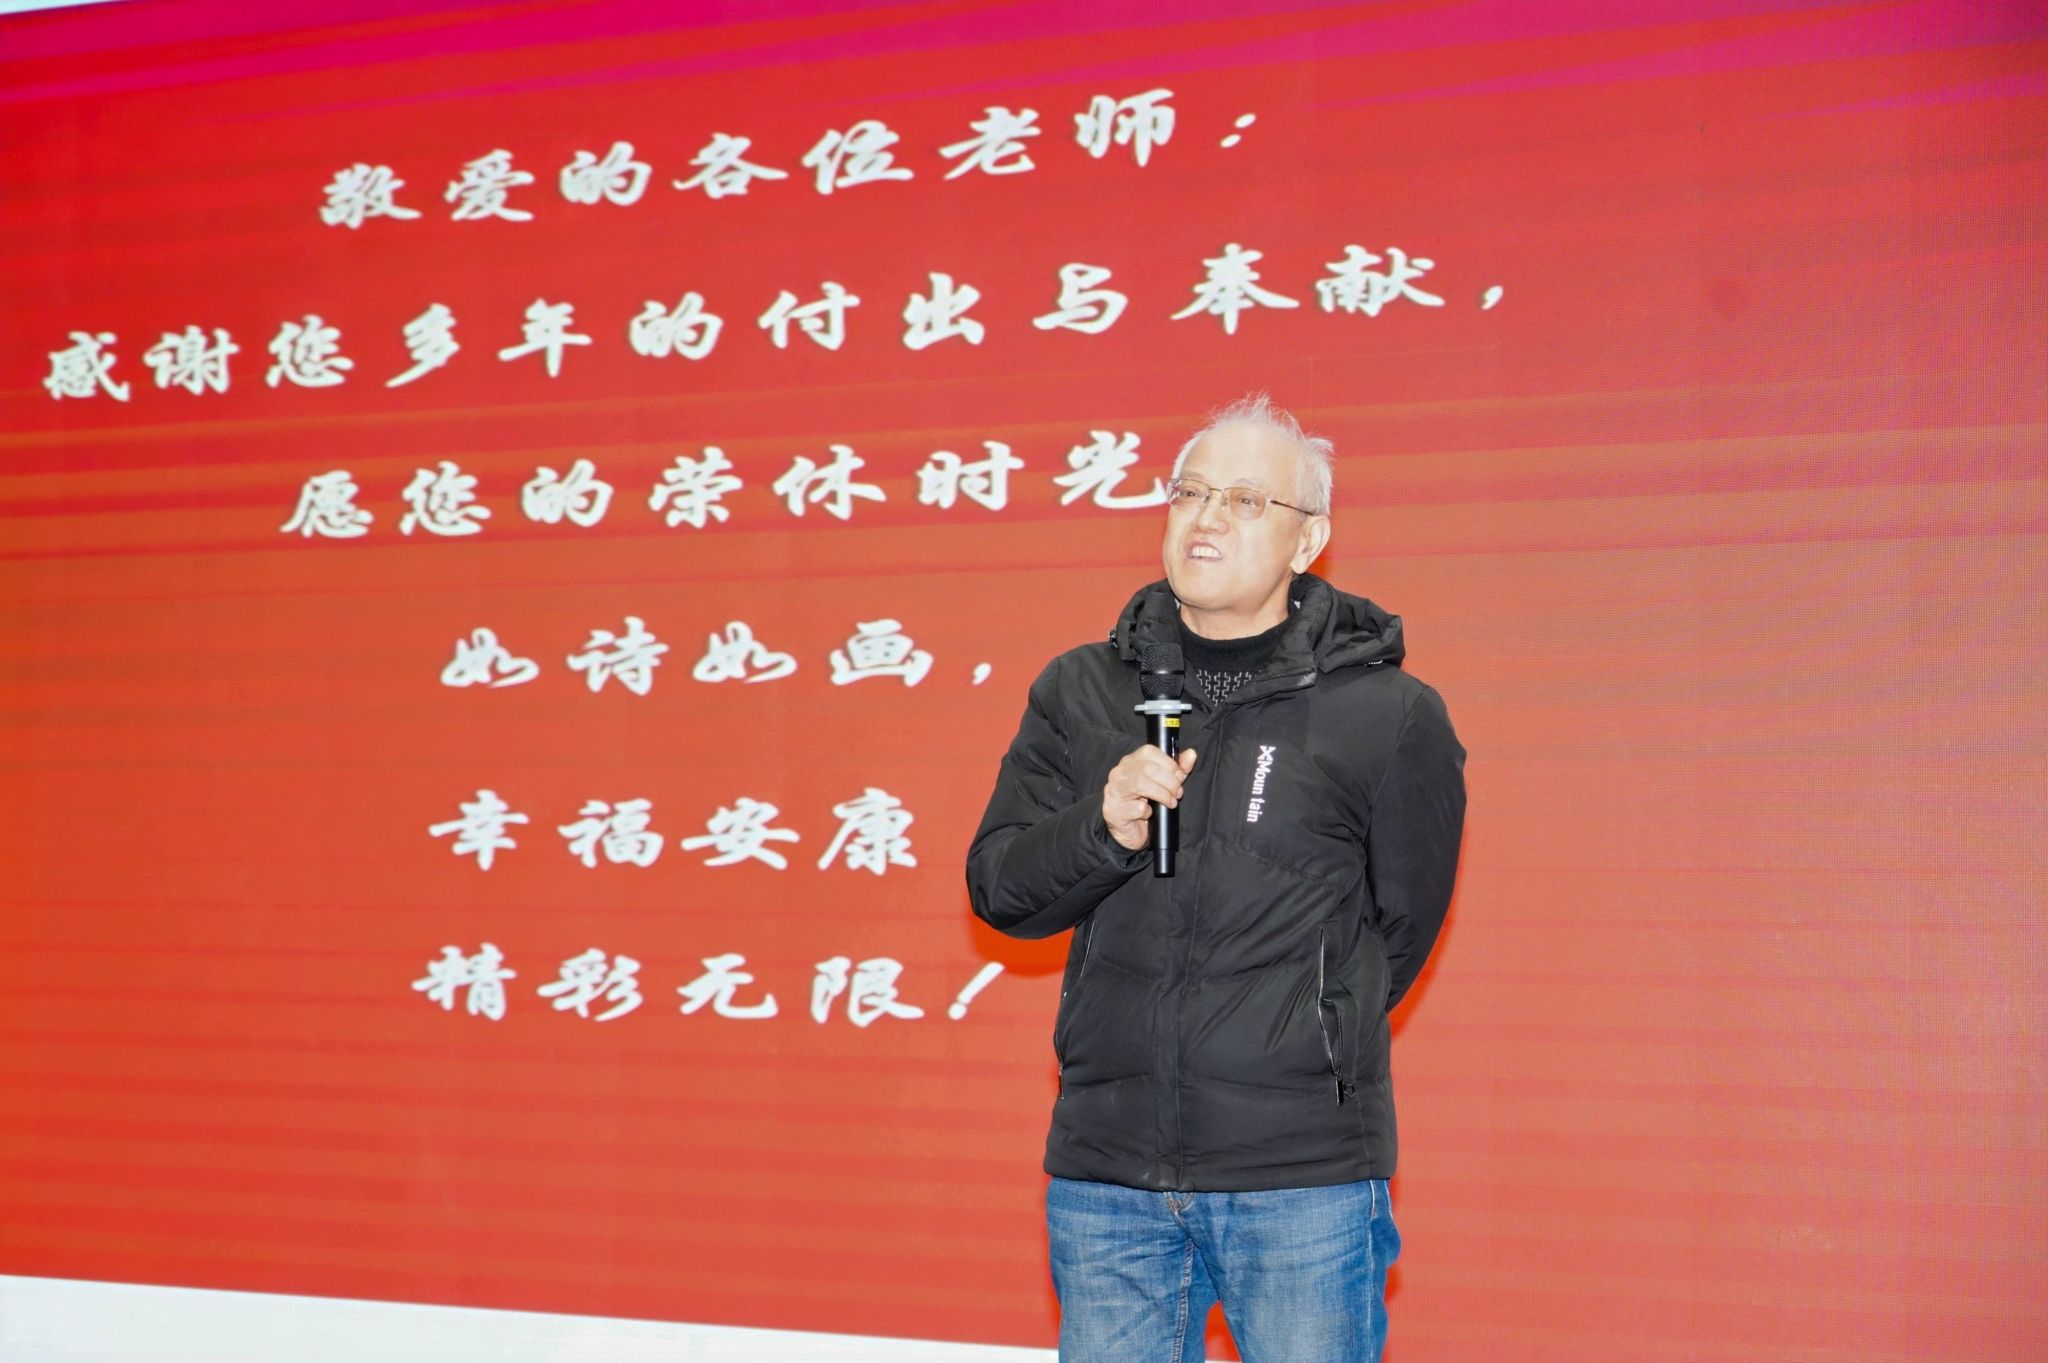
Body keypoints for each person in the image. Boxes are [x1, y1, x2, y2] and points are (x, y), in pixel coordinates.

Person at [966, 395, 1466, 1363]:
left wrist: (1306, 1031)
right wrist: (1102, 828)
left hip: (1299, 1175)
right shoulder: (1082, 688)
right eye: (1189, 493)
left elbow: (1397, 932)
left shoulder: (1387, 712)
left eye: (1244, 500)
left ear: (1307, 539)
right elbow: (1001, 891)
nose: (1206, 518)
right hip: (1108, 1173)